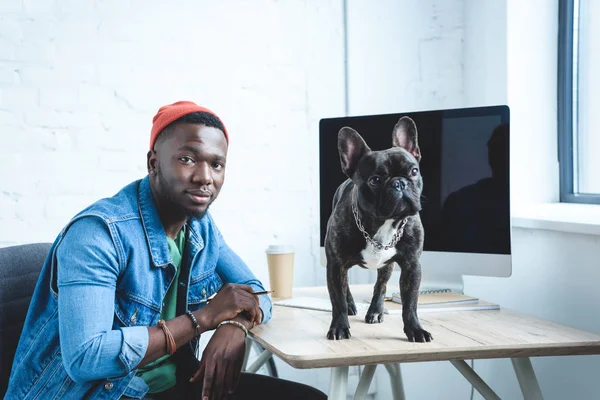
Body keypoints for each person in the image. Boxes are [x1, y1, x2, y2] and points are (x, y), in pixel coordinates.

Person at [6, 101, 327, 400]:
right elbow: (86, 359)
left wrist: (235, 325)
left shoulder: (200, 227)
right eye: (187, 159)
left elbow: (256, 293)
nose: (204, 177)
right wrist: (204, 319)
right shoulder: (99, 233)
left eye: (217, 164)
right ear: (153, 162)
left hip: (174, 384)